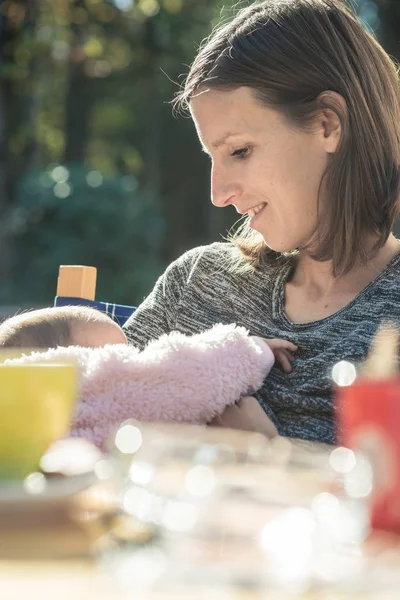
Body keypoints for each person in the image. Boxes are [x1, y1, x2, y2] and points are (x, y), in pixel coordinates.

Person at [123, 0, 400, 445]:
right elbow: (88, 409)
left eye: (239, 151)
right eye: (211, 158)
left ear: (328, 125)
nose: (218, 194)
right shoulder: (196, 283)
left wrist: (270, 457)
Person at [0, 306, 295, 448]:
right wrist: (251, 348)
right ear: (68, 355)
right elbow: (188, 376)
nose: (131, 360)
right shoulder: (93, 380)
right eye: (117, 355)